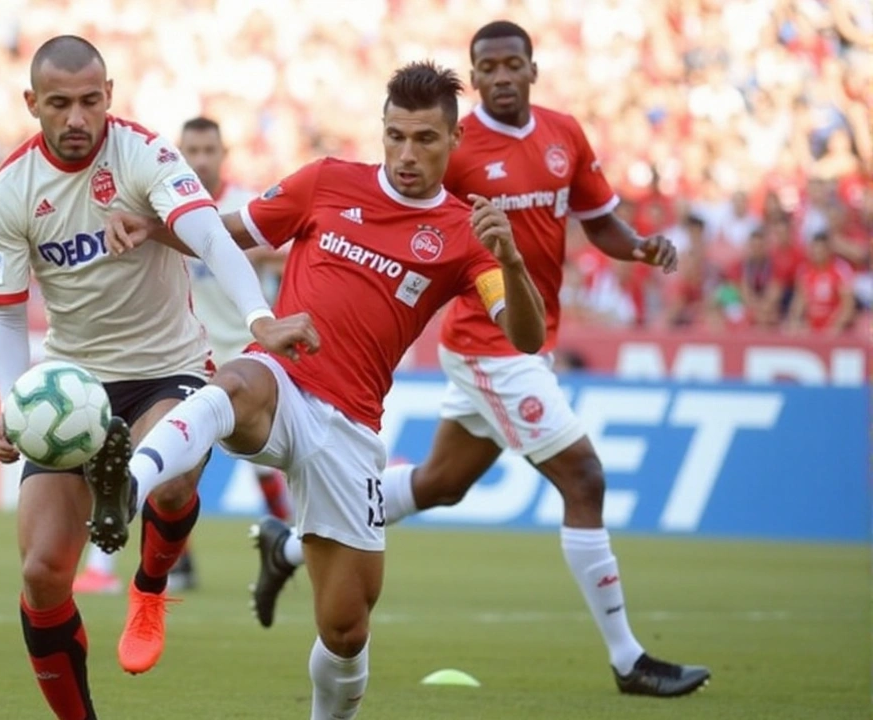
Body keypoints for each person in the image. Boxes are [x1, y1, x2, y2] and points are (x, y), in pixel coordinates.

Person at [254, 20, 711, 698]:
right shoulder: (452, 150)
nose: (499, 76)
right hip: (488, 344)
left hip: (531, 338)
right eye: (486, 66)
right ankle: (628, 659)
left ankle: (287, 546)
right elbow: (405, 207)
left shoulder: (565, 136)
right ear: (475, 75)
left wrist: (638, 246)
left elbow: (597, 216)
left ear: (533, 69)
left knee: (441, 483)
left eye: (510, 64)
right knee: (583, 478)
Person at [93, 60, 548, 720]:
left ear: (454, 143)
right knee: (236, 381)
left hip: (351, 430)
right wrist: (149, 225)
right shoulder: (329, 181)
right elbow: (227, 234)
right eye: (395, 135)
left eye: (424, 139)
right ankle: (127, 485)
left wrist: (510, 260)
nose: (406, 153)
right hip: (282, 379)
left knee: (345, 630)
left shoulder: (465, 235)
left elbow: (526, 336)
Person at [0, 36, 311, 720]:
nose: (77, 118)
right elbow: (8, 322)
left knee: (177, 473)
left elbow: (213, 237)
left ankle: (150, 589)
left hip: (170, 368)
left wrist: (257, 318)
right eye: (60, 103)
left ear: (110, 96)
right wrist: (13, 407)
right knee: (42, 573)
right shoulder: (9, 191)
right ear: (31, 103)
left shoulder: (147, 155)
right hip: (72, 390)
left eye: (91, 101)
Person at [70, 116, 292, 596]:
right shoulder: (160, 203)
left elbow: (289, 250)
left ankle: (292, 545)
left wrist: (259, 260)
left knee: (262, 465)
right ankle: (129, 567)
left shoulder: (240, 207)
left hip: (243, 352)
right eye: (192, 149)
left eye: (210, 149)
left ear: (223, 154)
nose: (202, 159)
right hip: (183, 354)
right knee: (152, 458)